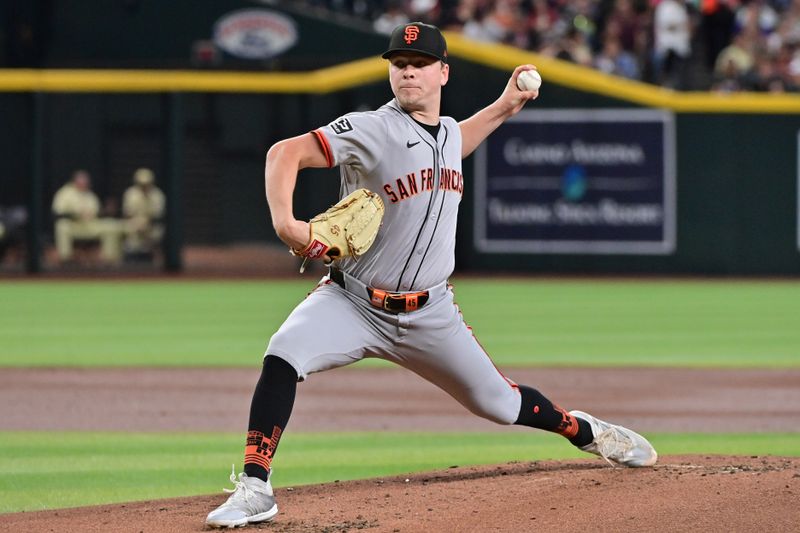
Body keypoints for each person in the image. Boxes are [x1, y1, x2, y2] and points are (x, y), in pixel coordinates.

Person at [205, 22, 658, 529]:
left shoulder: (444, 134)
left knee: (500, 403)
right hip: (352, 302)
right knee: (283, 352)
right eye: (399, 65)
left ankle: (583, 431)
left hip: (431, 312)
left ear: (443, 72)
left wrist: (507, 105)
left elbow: (456, 140)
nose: (407, 74)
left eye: (418, 65)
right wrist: (286, 223)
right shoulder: (372, 128)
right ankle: (254, 486)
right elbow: (283, 153)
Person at [52, 169, 123, 265]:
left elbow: (97, 213)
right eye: (81, 181)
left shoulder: (90, 195)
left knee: (111, 225)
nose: (84, 184)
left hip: (90, 226)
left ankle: (109, 259)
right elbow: (58, 213)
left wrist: (106, 211)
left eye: (86, 182)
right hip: (73, 226)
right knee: (62, 226)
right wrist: (75, 215)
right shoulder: (65, 193)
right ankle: (66, 258)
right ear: (74, 181)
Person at [122, 167, 165, 258]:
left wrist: (146, 222)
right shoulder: (130, 193)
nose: (144, 187)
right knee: (130, 240)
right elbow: (127, 213)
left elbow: (158, 214)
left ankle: (150, 254)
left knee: (157, 233)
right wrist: (138, 222)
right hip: (133, 223)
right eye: (141, 184)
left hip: (152, 225)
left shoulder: (157, 195)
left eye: (146, 184)